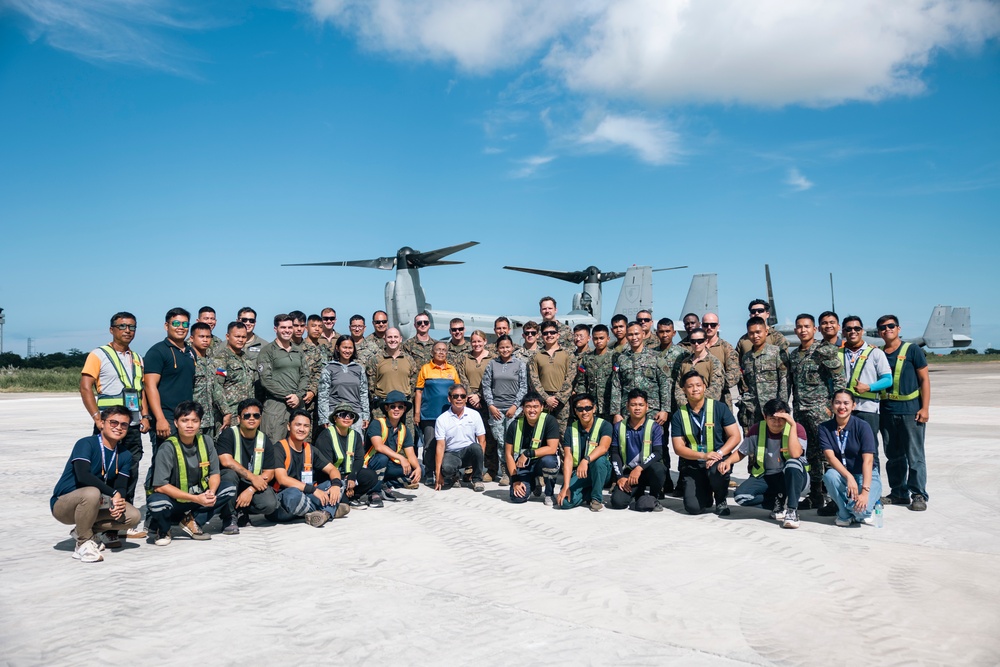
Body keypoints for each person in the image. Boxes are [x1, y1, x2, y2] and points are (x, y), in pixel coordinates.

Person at [79, 311, 150, 536]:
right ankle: (95, 523)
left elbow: (142, 392)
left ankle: (122, 523)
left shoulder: (138, 358)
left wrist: (145, 416)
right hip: (108, 425)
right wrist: (96, 417)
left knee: (130, 471)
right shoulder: (98, 354)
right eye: (122, 326)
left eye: (132, 327)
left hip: (132, 426)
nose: (127, 331)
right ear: (112, 329)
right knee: (102, 471)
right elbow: (85, 386)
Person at [50, 406, 142, 562]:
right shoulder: (86, 443)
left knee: (133, 516)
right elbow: (83, 476)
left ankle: (83, 530)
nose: (118, 427)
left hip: (96, 503)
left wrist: (118, 502)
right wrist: (113, 494)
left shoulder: (125, 454)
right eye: (113, 422)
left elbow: (121, 486)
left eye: (123, 425)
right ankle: (83, 544)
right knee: (92, 492)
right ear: (102, 423)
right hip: (64, 504)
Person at [146, 401, 236, 545]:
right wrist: (196, 499)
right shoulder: (167, 448)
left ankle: (193, 521)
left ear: (200, 423)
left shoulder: (206, 441)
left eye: (194, 421)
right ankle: (163, 529)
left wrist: (211, 492)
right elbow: (160, 486)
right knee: (158, 503)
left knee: (229, 488)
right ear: (176, 423)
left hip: (199, 497)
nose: (189, 425)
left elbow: (214, 473)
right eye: (184, 420)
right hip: (174, 501)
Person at [788, 313, 845, 512]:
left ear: (815, 330)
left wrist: (834, 406)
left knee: (827, 454)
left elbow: (839, 379)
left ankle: (835, 498)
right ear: (795, 330)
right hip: (801, 411)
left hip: (821, 411)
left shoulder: (824, 351)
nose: (803, 330)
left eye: (807, 326)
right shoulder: (794, 355)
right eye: (799, 327)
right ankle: (815, 495)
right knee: (810, 455)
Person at [724, 399, 808, 529]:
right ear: (765, 417)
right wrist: (728, 461)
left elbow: (796, 454)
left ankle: (792, 510)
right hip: (767, 476)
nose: (777, 423)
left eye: (781, 418)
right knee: (741, 497)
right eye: (772, 418)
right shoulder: (757, 429)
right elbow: (742, 451)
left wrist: (792, 425)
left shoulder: (797, 428)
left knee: (792, 463)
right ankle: (777, 502)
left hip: (793, 477)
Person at [877, 314, 931, 511]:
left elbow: (924, 379)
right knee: (893, 455)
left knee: (914, 454)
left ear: (898, 328)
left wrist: (925, 408)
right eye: (883, 327)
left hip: (910, 411)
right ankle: (899, 492)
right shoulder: (879, 353)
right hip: (887, 411)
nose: (887, 329)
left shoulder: (912, 350)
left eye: (891, 326)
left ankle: (918, 494)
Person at [671, 371, 741, 516]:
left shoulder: (720, 408)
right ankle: (706, 494)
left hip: (717, 460)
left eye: (698, 385)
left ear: (704, 386)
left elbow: (735, 436)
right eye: (690, 386)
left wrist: (718, 454)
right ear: (684, 390)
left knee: (718, 470)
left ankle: (721, 499)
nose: (695, 389)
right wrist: (704, 456)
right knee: (693, 508)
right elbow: (678, 448)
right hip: (694, 463)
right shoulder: (679, 415)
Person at [269, 409, 349, 526]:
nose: (302, 429)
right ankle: (328, 510)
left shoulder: (310, 449)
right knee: (292, 494)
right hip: (283, 503)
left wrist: (336, 485)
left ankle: (321, 513)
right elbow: (282, 479)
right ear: (289, 426)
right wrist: (314, 490)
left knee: (338, 482)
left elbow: (332, 470)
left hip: (307, 495)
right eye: (298, 425)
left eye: (306, 426)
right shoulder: (279, 448)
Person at [215, 398, 279, 534]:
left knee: (270, 504)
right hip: (232, 481)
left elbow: (269, 473)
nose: (252, 419)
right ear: (239, 418)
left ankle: (242, 511)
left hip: (250, 484)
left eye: (256, 416)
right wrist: (253, 477)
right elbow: (226, 461)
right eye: (247, 415)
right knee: (229, 474)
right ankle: (229, 517)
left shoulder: (264, 439)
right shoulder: (229, 434)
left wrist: (251, 489)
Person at [819, 390, 882, 526]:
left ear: (853, 405)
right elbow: (830, 457)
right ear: (832, 404)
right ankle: (844, 513)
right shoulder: (824, 428)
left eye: (846, 403)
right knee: (830, 475)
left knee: (861, 512)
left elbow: (868, 460)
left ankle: (857, 510)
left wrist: (865, 492)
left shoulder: (863, 426)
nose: (842, 407)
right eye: (838, 403)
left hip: (864, 475)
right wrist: (849, 477)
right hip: (843, 475)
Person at [144, 307, 195, 448]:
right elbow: (150, 386)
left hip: (186, 418)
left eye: (185, 324)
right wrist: (160, 418)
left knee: (181, 462)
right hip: (166, 418)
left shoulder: (190, 352)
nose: (181, 328)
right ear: (167, 326)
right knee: (163, 462)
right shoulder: (157, 352)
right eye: (176, 323)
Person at [609, 389, 668, 511]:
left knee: (659, 469)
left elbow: (658, 453)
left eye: (641, 405)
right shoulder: (619, 427)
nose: (637, 408)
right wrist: (620, 476)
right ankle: (638, 492)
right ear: (627, 406)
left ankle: (653, 497)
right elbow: (614, 453)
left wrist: (640, 468)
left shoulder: (655, 427)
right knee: (617, 503)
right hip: (629, 473)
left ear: (647, 407)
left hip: (646, 470)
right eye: (633, 405)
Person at [482, 334, 527, 486]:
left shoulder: (520, 364)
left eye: (507, 347)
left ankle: (514, 470)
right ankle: (505, 473)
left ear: (512, 347)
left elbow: (523, 387)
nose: (505, 349)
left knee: (514, 441)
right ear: (497, 348)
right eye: (502, 347)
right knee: (501, 442)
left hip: (514, 409)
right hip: (496, 410)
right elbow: (486, 386)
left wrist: (515, 406)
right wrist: (491, 405)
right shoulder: (492, 364)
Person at [609, 322, 670, 435]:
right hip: (628, 411)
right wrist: (616, 413)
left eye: (637, 334)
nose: (634, 337)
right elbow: (616, 386)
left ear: (643, 334)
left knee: (656, 443)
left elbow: (665, 384)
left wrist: (664, 410)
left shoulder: (656, 357)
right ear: (627, 336)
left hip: (652, 410)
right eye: (630, 334)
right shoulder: (621, 359)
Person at [314, 403, 379, 508]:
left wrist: (352, 477)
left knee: (371, 476)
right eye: (343, 414)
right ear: (335, 418)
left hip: (348, 475)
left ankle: (352, 495)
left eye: (351, 416)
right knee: (342, 502)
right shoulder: (325, 436)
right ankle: (345, 496)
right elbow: (326, 466)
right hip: (329, 477)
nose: (347, 418)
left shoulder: (356, 435)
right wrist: (345, 480)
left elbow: (359, 459)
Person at [257, 314, 310, 443]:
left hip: (297, 405)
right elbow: (266, 380)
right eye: (283, 327)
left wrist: (298, 396)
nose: (287, 330)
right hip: (276, 406)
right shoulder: (267, 351)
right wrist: (288, 396)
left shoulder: (298, 351)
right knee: (274, 445)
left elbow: (305, 375)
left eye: (289, 327)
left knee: (298, 446)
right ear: (276, 329)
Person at [556, 394, 612, 511]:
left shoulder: (605, 425)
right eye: (580, 409)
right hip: (580, 473)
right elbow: (568, 458)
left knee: (599, 461)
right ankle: (588, 493)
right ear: (575, 411)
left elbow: (603, 448)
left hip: (600, 470)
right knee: (564, 503)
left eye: (588, 408)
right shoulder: (571, 429)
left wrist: (585, 460)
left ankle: (596, 499)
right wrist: (566, 486)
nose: (584, 412)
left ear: (594, 408)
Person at [840, 315, 892, 443]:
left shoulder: (876, 353)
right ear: (843, 332)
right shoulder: (837, 354)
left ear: (862, 331)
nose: (853, 331)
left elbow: (887, 379)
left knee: (869, 449)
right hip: (843, 410)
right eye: (849, 329)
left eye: (857, 328)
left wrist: (869, 387)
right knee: (846, 448)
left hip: (868, 409)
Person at [414, 341, 460, 483]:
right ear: (432, 352)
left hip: (449, 414)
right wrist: (417, 413)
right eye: (438, 350)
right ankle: (429, 473)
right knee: (429, 444)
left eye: (444, 350)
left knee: (449, 444)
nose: (441, 352)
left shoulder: (452, 370)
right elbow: (419, 392)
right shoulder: (425, 369)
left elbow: (457, 391)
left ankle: (447, 473)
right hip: (429, 414)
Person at [363, 391, 421, 502]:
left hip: (389, 464)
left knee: (415, 470)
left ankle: (385, 484)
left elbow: (411, 454)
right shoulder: (377, 423)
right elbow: (379, 447)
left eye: (400, 407)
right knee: (382, 458)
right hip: (371, 464)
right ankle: (374, 491)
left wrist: (417, 468)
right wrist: (401, 458)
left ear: (404, 409)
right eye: (392, 406)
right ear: (386, 408)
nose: (396, 409)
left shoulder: (404, 429)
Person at [504, 393, 561, 505]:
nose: (532, 410)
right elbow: (508, 454)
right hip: (524, 466)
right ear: (523, 408)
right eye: (528, 407)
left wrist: (528, 453)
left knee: (549, 461)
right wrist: (515, 480)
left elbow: (552, 448)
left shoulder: (550, 421)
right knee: (517, 498)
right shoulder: (515, 425)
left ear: (542, 407)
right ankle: (533, 483)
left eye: (535, 407)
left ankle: (549, 494)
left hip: (542, 463)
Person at [434, 384, 487, 491]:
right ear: (449, 398)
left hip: (469, 451)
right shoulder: (442, 419)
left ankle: (477, 479)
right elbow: (440, 447)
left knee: (477, 447)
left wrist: (479, 466)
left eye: (462, 396)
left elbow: (482, 440)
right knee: (447, 468)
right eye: (455, 396)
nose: (459, 399)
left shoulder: (474, 415)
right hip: (452, 453)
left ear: (466, 398)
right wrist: (438, 473)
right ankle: (454, 476)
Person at [528, 320, 577, 438]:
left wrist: (558, 399)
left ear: (558, 335)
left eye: (552, 332)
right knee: (541, 434)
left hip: (562, 402)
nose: (549, 335)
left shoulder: (568, 354)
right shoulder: (535, 356)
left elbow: (570, 378)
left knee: (563, 435)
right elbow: (533, 380)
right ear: (541, 336)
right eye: (545, 333)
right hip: (542, 402)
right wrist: (546, 398)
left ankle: (564, 457)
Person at [738, 316, 788, 429]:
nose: (755, 336)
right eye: (751, 333)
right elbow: (746, 383)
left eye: (758, 332)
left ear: (766, 331)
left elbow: (784, 381)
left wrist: (782, 407)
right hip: (754, 410)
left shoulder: (776, 353)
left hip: (773, 409)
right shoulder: (746, 358)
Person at [456, 330, 494, 478]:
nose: (476, 344)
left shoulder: (493, 358)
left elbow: (492, 379)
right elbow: (462, 377)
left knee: (488, 436)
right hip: (469, 401)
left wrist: (479, 395)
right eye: (474, 342)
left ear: (485, 342)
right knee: (469, 435)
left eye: (479, 341)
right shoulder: (465, 358)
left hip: (487, 402)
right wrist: (471, 395)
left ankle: (490, 468)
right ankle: (470, 467)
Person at [318, 336, 370, 435]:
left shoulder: (359, 369)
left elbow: (364, 394)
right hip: (335, 415)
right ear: (337, 348)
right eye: (344, 347)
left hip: (355, 415)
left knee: (354, 446)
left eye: (350, 348)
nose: (347, 351)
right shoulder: (329, 368)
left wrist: (365, 416)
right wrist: (324, 418)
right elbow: (323, 395)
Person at [190, 321, 228, 435]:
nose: (205, 340)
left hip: (210, 419)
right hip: (192, 419)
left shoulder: (212, 362)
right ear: (192, 338)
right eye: (201, 336)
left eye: (208, 337)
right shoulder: (188, 361)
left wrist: (226, 412)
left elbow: (217, 388)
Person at [672, 328, 724, 410]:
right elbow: (679, 387)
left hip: (706, 408)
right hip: (686, 408)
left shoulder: (713, 362)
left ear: (706, 341)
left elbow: (715, 389)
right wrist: (685, 404)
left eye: (700, 341)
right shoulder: (685, 363)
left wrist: (697, 404)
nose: (696, 344)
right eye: (693, 341)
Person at [214, 321, 257, 422]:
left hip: (248, 414)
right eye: (237, 336)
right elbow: (217, 386)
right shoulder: (222, 359)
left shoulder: (245, 358)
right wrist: (226, 412)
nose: (240, 340)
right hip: (231, 415)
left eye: (243, 337)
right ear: (228, 336)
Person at [573, 324, 616, 421]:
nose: (598, 341)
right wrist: (583, 403)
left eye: (601, 338)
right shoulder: (587, 359)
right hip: (591, 406)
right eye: (596, 338)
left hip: (610, 406)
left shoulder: (615, 357)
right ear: (592, 339)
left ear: (608, 339)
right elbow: (582, 382)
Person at [702, 313, 741, 410]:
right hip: (698, 399)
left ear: (718, 326)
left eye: (713, 325)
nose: (709, 327)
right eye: (706, 325)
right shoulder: (696, 346)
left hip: (721, 399)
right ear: (701, 326)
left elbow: (734, 375)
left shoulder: (726, 348)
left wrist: (714, 387)